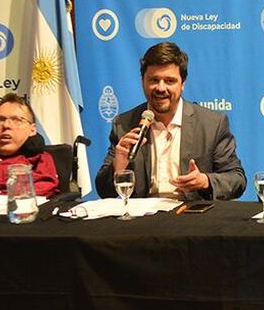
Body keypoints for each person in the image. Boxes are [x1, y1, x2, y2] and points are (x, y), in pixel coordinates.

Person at [95, 42, 246, 200]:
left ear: (183, 84)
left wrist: (205, 181)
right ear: (142, 81)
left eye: (169, 81)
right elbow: (104, 191)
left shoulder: (212, 124)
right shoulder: (123, 124)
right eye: (154, 80)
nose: (161, 88)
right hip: (142, 220)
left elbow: (236, 180)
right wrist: (118, 166)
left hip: (191, 216)